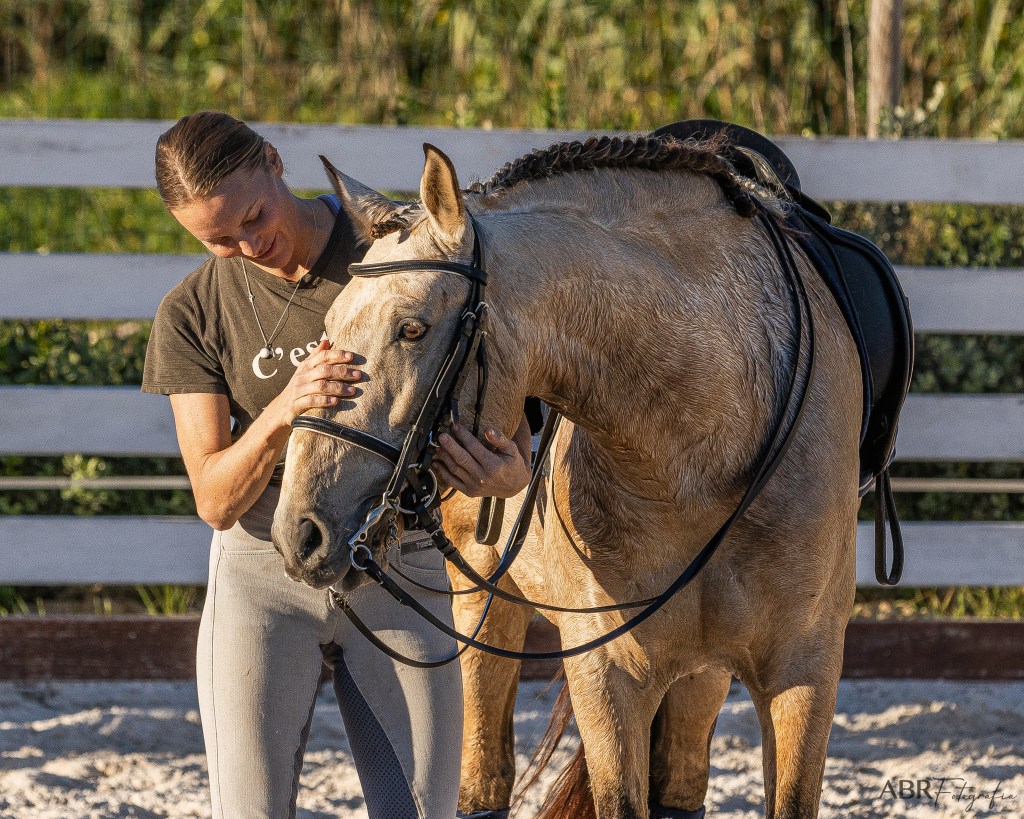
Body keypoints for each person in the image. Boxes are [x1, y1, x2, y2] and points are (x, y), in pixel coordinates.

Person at [142, 111, 533, 819]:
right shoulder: (193, 312)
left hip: (400, 565)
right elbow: (214, 499)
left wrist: (505, 476)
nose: (249, 243)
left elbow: (516, 444)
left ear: (273, 160)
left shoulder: (398, 254)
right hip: (262, 576)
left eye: (253, 216)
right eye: (218, 239)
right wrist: (283, 410)